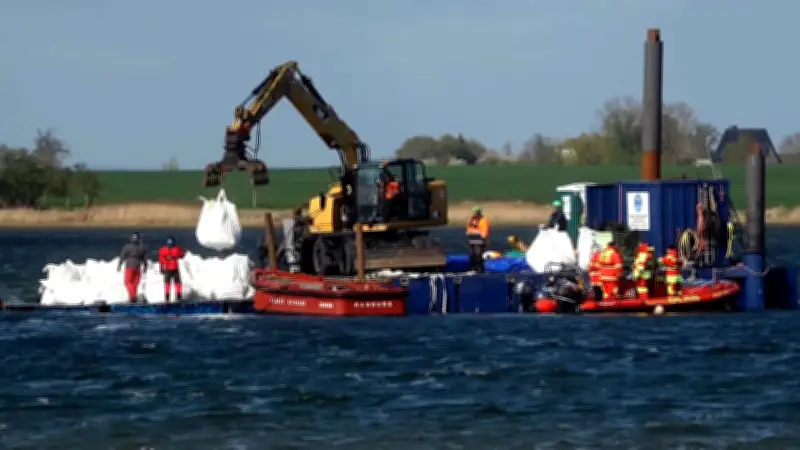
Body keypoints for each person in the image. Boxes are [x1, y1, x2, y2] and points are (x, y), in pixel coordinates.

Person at [117, 232, 148, 303]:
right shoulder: (142, 248)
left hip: (129, 266)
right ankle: (133, 298)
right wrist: (145, 267)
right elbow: (145, 259)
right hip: (138, 267)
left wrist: (119, 265)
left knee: (127, 282)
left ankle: (133, 297)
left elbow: (122, 256)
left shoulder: (127, 247)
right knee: (135, 284)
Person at [158, 236, 186, 302]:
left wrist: (161, 267)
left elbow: (161, 259)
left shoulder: (163, 249)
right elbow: (182, 255)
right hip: (175, 268)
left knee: (167, 283)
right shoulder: (177, 249)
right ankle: (179, 297)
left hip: (167, 268)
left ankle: (167, 298)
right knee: (178, 283)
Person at [466, 206, 490, 273]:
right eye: (473, 212)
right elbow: (469, 228)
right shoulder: (472, 220)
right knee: (473, 254)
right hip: (472, 240)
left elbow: (485, 231)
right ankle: (473, 269)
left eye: (475, 212)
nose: (473, 214)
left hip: (480, 241)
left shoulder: (483, 220)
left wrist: (481, 235)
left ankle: (480, 270)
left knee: (478, 255)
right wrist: (469, 233)